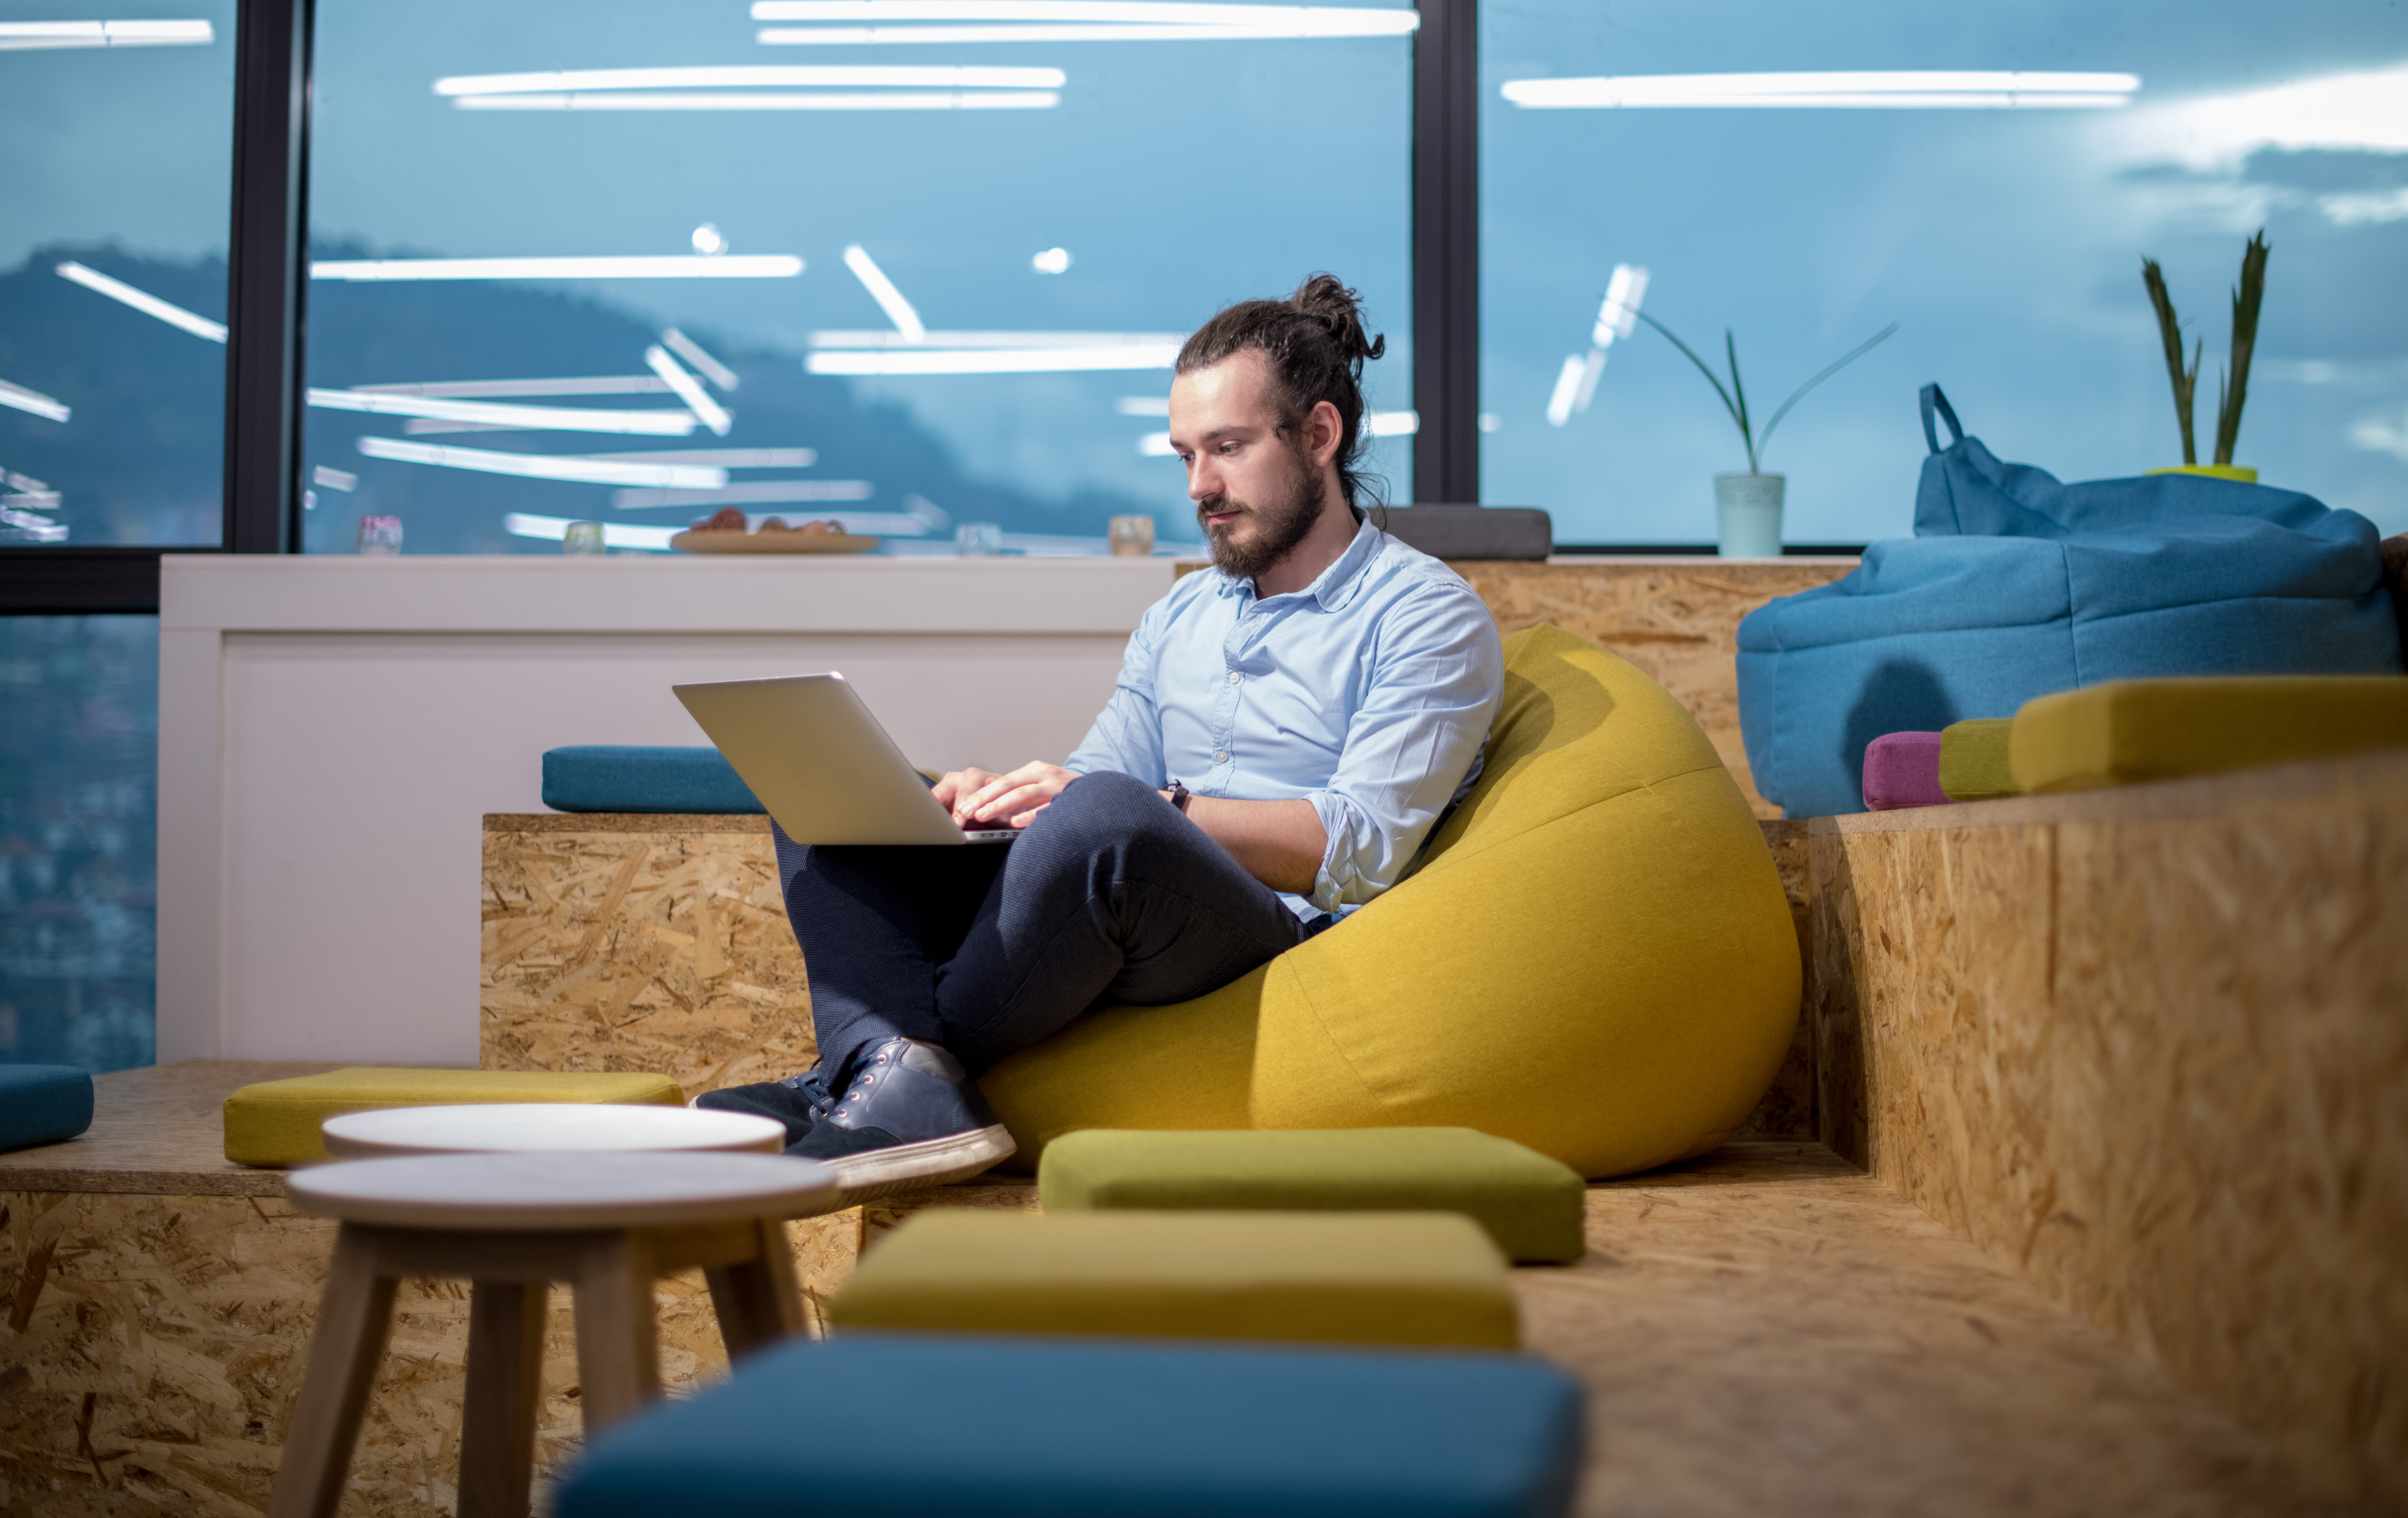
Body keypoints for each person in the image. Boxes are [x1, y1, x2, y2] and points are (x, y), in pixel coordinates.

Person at [700, 275, 1506, 1198]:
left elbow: (1360, 849)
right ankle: (889, 1074)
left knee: (1110, 819)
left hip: (1271, 931)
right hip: (1121, 890)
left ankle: (866, 1071)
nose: (1200, 486)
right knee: (826, 796)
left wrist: (1152, 808)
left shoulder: (1426, 614)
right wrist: (994, 802)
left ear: (1319, 436)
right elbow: (1094, 778)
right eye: (1185, 455)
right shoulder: (1179, 614)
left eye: (1229, 449)